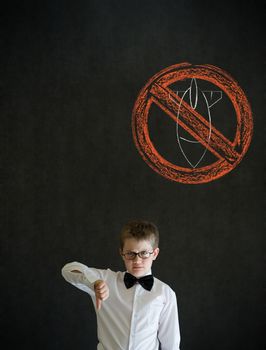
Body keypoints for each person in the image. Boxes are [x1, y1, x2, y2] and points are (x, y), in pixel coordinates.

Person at [61, 220, 181, 350]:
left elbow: (171, 344)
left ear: (155, 253)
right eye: (130, 254)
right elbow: (67, 270)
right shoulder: (106, 280)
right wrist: (94, 283)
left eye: (144, 253)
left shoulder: (165, 293)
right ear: (122, 253)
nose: (137, 260)